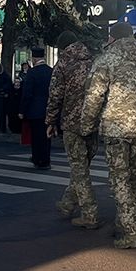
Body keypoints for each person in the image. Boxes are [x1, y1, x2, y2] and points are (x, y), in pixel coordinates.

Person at [81, 21, 136, 250]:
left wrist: (87, 126)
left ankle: (132, 231)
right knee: (133, 176)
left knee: (119, 180)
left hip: (115, 129)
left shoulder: (106, 61)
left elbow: (94, 97)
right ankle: (125, 219)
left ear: (113, 38)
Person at [46, 30, 99, 229]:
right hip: (92, 122)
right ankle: (68, 202)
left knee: (79, 169)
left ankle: (89, 213)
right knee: (82, 166)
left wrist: (50, 121)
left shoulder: (63, 65)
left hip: (72, 123)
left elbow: (55, 96)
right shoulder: (93, 62)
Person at [20, 47, 53, 169]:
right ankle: (46, 159)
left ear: (34, 58)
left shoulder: (32, 73)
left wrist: (22, 110)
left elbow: (27, 93)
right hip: (48, 108)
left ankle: (38, 158)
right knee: (46, 135)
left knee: (36, 136)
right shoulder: (51, 71)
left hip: (34, 109)